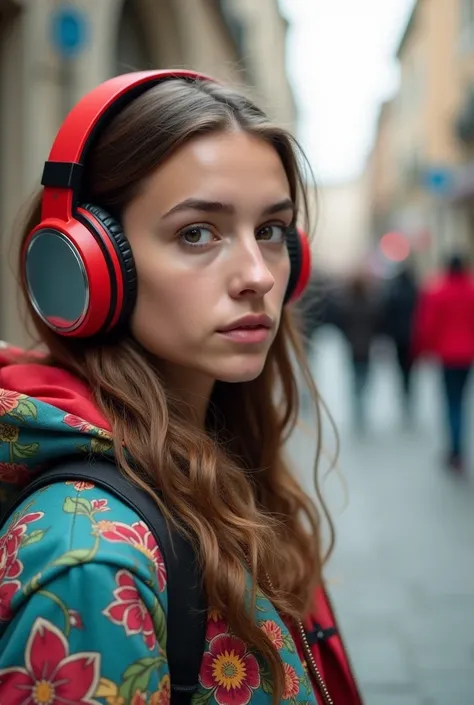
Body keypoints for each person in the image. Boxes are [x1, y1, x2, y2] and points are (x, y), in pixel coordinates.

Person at [0, 70, 362, 704]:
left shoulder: (222, 465)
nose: (258, 276)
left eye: (271, 231)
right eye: (198, 232)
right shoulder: (91, 564)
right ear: (87, 265)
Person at [413, 253, 474, 471]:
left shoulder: (437, 292)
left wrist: (424, 350)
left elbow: (427, 325)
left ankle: (454, 449)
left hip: (447, 355)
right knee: (462, 401)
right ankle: (458, 448)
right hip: (467, 355)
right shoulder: (471, 291)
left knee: (451, 402)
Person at [335, 271, 380, 432]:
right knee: (364, 374)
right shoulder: (370, 305)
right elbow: (377, 325)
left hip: (352, 346)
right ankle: (361, 398)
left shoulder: (347, 306)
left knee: (355, 374)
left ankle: (357, 399)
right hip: (366, 346)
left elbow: (340, 323)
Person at [382, 264, 419, 422]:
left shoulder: (394, 292)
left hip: (398, 336)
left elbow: (388, 314)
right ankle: (408, 392)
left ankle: (404, 392)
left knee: (401, 368)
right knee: (410, 369)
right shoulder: (415, 291)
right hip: (412, 336)